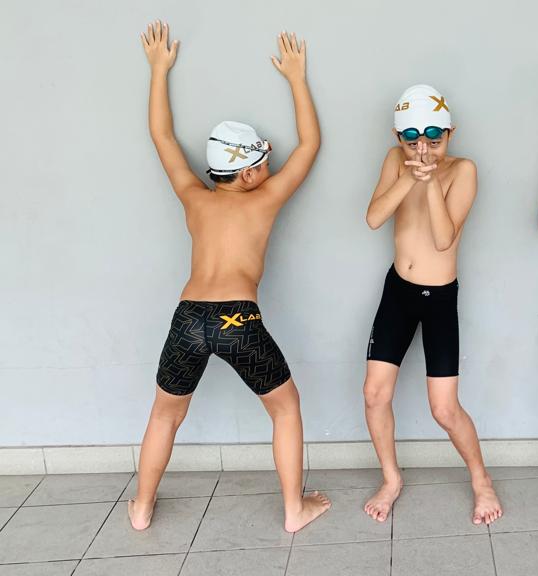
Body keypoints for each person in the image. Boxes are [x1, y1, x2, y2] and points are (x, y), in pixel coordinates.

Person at [130, 21, 329, 533]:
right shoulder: (265, 200)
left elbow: (162, 135)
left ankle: (141, 508)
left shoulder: (193, 196)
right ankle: (293, 509)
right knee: (286, 409)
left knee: (164, 415)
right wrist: (296, 78)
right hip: (237, 318)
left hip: (188, 316)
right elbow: (310, 144)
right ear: (245, 175)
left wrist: (158, 71)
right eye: (262, 161)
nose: (271, 164)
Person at [361, 84, 502, 526]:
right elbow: (374, 217)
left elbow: (444, 239)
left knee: (444, 408)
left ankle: (481, 480)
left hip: (438, 297)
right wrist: (409, 176)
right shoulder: (394, 161)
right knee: (374, 393)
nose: (424, 150)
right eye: (412, 141)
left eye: (435, 140)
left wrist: (429, 182)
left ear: (451, 133)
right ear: (398, 137)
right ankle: (391, 478)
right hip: (398, 291)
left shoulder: (464, 169)